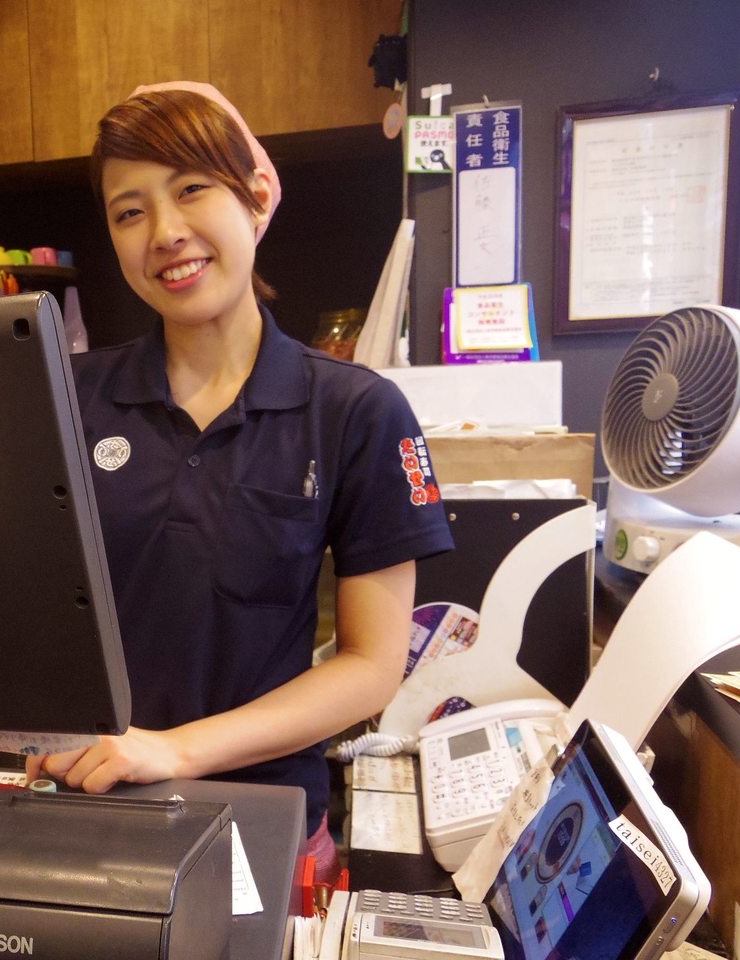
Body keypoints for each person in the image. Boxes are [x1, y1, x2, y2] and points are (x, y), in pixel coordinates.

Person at [25, 82, 454, 882]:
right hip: (81, 816)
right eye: (130, 211)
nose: (166, 233)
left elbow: (371, 664)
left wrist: (172, 750)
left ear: (256, 198)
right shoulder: (63, 396)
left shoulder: (356, 411)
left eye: (191, 190)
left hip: (258, 828)